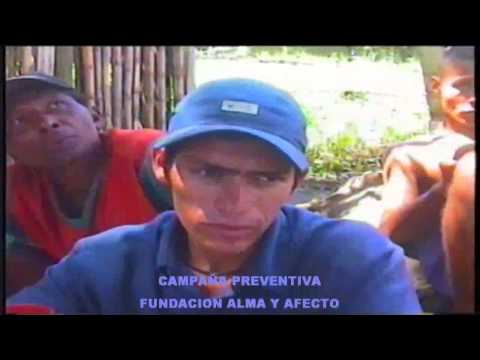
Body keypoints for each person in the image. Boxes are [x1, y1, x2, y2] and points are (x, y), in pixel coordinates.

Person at [7, 78, 421, 314]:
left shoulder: (354, 261)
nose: (234, 202)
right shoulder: (104, 261)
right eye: (208, 172)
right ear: (161, 168)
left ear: (296, 184)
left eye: (265, 179)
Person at [6, 73, 172, 295]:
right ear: (11, 150)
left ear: (96, 117)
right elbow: (32, 282)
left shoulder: (152, 158)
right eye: (21, 121)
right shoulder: (17, 191)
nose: (47, 122)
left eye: (58, 105)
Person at [378, 46, 475, 313]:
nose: (474, 97)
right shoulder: (414, 154)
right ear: (436, 87)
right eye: (464, 86)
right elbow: (389, 232)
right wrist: (443, 189)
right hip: (456, 278)